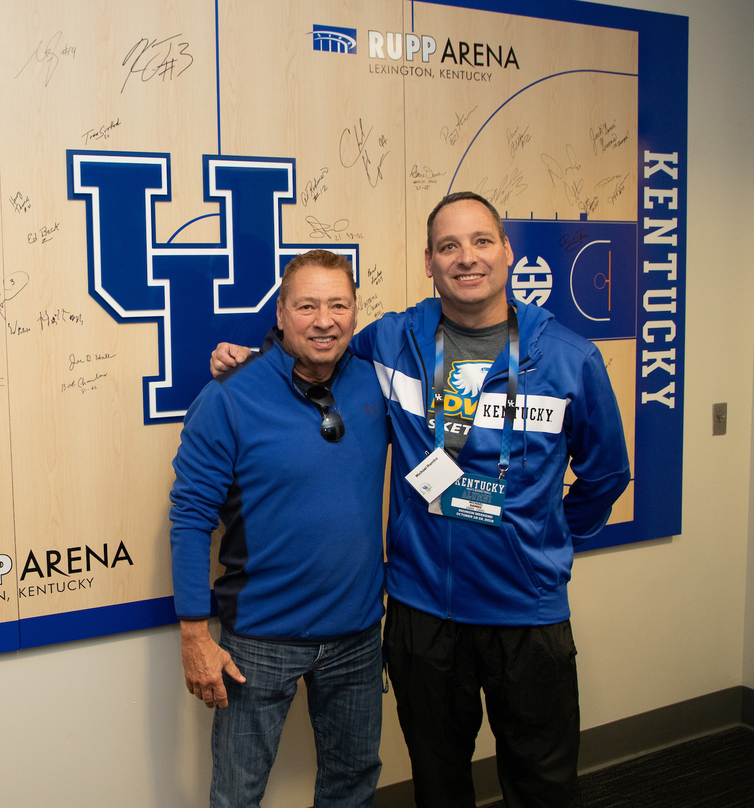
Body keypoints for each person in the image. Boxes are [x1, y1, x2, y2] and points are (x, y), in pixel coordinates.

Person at [210, 192, 631, 808]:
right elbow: (318, 351)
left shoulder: (569, 359)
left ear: (508, 253)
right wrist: (255, 359)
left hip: (527, 614)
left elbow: (606, 475)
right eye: (448, 246)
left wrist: (543, 535)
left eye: (482, 241)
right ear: (429, 263)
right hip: (422, 613)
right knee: (439, 786)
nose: (467, 258)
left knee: (542, 786)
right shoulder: (393, 342)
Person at [171, 249, 390, 808]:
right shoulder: (228, 397)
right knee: (238, 793)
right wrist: (195, 636)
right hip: (260, 642)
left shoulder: (374, 384)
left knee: (353, 783)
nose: (324, 320)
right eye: (307, 306)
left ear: (355, 314)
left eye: (339, 304)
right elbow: (191, 516)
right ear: (280, 316)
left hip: (358, 636)